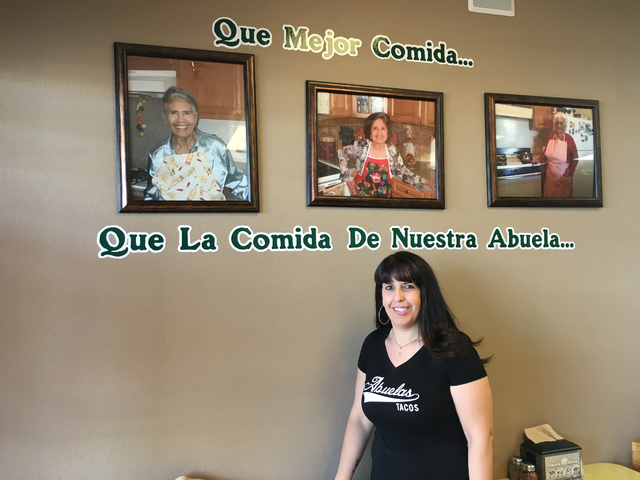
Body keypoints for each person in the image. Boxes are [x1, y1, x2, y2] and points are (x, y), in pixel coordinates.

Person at [334, 252, 493, 480]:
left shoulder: (455, 351)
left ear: (425, 294)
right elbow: (359, 418)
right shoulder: (373, 345)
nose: (397, 297)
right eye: (388, 287)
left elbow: (480, 437)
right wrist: (342, 476)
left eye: (408, 286)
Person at [144, 86, 249, 201]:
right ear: (165, 119)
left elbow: (239, 183)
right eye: (173, 113)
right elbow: (151, 199)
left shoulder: (216, 147)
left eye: (186, 113)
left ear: (195, 117)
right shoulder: (157, 156)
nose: (180, 119)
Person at [336, 112, 436, 197]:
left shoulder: (391, 151)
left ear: (387, 132)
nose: (379, 132)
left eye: (383, 128)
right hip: (362, 198)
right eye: (375, 128)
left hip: (384, 200)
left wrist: (427, 182)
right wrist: (348, 178)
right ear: (370, 132)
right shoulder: (362, 147)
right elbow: (341, 152)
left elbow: (405, 174)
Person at [534, 113, 579, 197]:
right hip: (550, 176)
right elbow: (546, 152)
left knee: (563, 203)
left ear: (565, 125)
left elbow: (575, 159)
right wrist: (539, 159)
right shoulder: (551, 136)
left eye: (561, 123)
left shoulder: (569, 139)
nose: (559, 125)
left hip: (563, 176)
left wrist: (570, 170)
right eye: (557, 123)